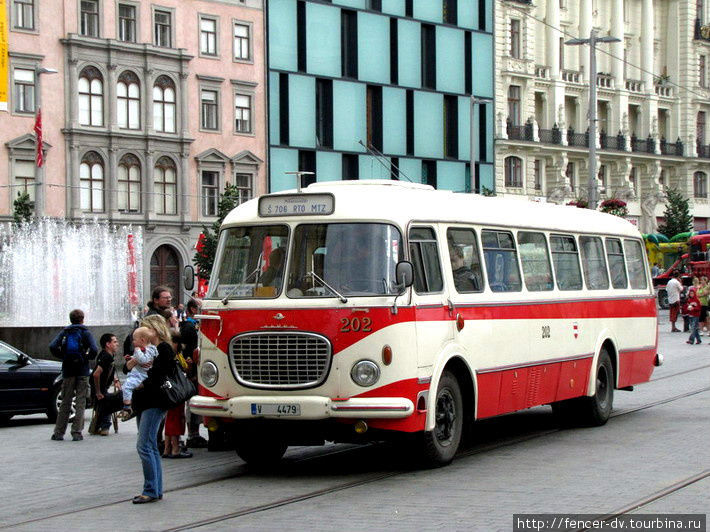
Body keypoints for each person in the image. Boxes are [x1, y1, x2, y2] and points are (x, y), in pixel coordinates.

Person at [129, 315, 177, 504]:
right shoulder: (147, 349)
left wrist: (142, 383)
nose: (142, 332)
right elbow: (129, 370)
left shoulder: (163, 349)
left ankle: (150, 489)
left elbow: (159, 376)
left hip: (155, 401)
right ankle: (155, 489)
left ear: (154, 330)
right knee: (149, 445)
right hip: (144, 402)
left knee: (144, 446)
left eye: (145, 328)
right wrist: (131, 364)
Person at [49, 309, 99, 442]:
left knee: (66, 401)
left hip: (68, 370)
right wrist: (86, 358)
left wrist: (64, 357)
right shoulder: (85, 332)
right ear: (82, 319)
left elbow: (53, 346)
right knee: (81, 401)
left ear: (70, 319)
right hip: (82, 371)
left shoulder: (65, 332)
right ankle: (77, 432)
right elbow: (94, 349)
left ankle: (59, 432)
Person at [180, 298, 208, 449]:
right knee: (192, 402)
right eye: (200, 307)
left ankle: (195, 433)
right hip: (193, 371)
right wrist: (191, 372)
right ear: (192, 309)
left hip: (199, 370)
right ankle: (193, 434)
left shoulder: (196, 325)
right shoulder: (189, 328)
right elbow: (188, 352)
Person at [162, 332, 193, 459]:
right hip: (176, 391)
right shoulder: (173, 356)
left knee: (170, 418)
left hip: (170, 390)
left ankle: (167, 448)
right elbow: (182, 372)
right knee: (175, 418)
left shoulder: (173, 355)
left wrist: (188, 365)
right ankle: (175, 449)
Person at [120, 327, 158, 420]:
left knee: (127, 387)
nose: (133, 342)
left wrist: (137, 351)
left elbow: (143, 360)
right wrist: (131, 357)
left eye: (134, 339)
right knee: (126, 387)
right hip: (137, 374)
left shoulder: (149, 349)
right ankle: (128, 406)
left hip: (141, 376)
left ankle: (127, 407)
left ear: (142, 340)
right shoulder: (145, 349)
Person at [90, 333, 123, 436]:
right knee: (110, 402)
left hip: (100, 386)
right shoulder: (106, 357)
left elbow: (107, 371)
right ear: (108, 344)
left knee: (103, 405)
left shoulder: (107, 354)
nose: (117, 344)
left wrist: (115, 379)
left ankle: (99, 426)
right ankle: (105, 427)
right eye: (114, 342)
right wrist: (98, 391)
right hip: (99, 387)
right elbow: (96, 374)